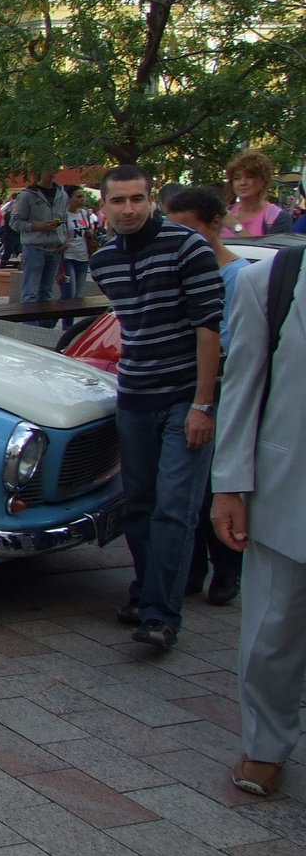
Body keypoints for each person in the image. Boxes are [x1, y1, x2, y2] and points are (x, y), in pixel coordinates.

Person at [90, 165, 226, 650]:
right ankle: (148, 593)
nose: (128, 209)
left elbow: (208, 328)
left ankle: (160, 615)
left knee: (175, 508)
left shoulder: (187, 248)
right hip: (135, 396)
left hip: (182, 396)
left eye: (138, 199)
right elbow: (132, 324)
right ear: (103, 207)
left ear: (151, 201)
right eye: (118, 201)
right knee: (141, 505)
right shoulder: (102, 261)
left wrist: (203, 405)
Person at [212, 243, 306, 795]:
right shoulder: (271, 282)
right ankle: (265, 744)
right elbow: (242, 387)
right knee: (273, 631)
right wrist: (230, 485)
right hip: (287, 488)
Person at [165, 186, 247, 607]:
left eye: (187, 230)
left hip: (223, 388)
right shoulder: (177, 268)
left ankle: (228, 569)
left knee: (219, 482)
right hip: (185, 385)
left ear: (215, 225)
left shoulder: (240, 277)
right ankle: (192, 569)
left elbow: (233, 343)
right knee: (187, 485)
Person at [8, 168, 70, 325]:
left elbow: (64, 219)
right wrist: (37, 226)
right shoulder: (28, 195)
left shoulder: (61, 194)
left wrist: (64, 240)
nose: (51, 173)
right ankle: (28, 328)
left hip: (55, 248)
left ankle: (43, 328)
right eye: (48, 169)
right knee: (31, 291)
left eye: (54, 169)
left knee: (47, 291)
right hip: (34, 247)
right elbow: (15, 222)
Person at [222, 150, 292, 239]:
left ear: (263, 181)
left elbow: (269, 252)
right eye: (237, 178)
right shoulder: (224, 214)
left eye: (250, 177)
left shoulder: (277, 217)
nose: (242, 183)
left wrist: (236, 227)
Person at [59, 188, 94, 317]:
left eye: (83, 197)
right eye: (78, 197)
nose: (82, 200)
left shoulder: (84, 214)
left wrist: (90, 233)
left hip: (83, 257)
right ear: (69, 199)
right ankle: (61, 322)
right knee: (69, 293)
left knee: (77, 296)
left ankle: (69, 323)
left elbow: (88, 232)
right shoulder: (63, 215)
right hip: (68, 256)